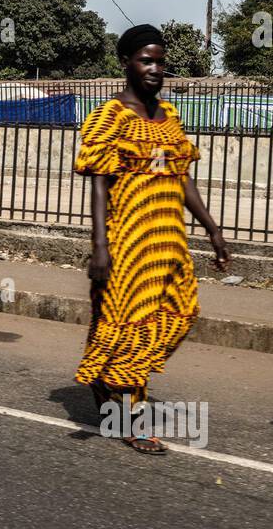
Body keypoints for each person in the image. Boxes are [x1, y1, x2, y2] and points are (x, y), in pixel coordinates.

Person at [75, 24, 229, 454]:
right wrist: (100, 247)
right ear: (126, 62)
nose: (155, 68)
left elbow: (183, 180)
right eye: (146, 59)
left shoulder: (170, 118)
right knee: (132, 328)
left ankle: (110, 380)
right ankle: (127, 418)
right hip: (128, 244)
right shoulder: (110, 117)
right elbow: (100, 185)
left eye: (160, 61)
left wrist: (213, 230)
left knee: (181, 315)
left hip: (170, 242)